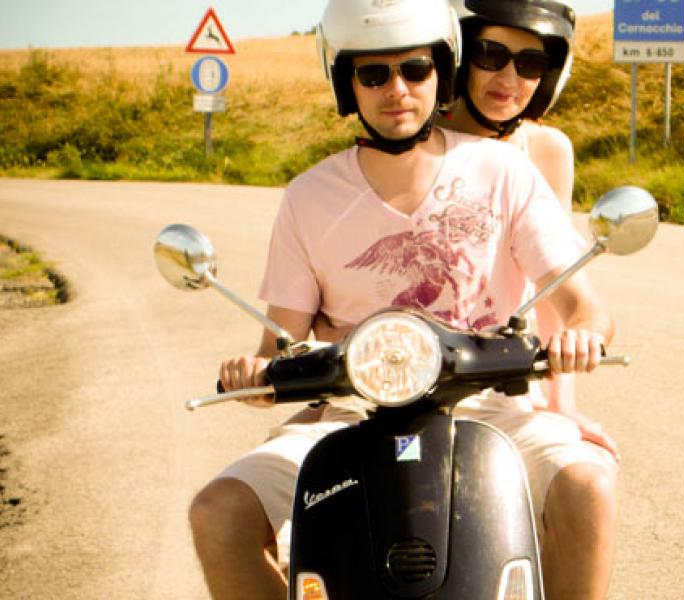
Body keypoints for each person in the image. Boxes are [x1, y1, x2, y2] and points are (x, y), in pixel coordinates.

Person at [187, 0, 617, 598]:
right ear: (346, 82)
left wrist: (582, 335)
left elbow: (585, 306)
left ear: (442, 71)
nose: (397, 89)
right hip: (343, 416)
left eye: (415, 70)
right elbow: (277, 348)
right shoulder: (308, 198)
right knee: (218, 512)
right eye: (373, 74)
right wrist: (254, 373)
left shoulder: (501, 171)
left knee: (587, 487)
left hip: (488, 407)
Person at [439, 2, 621, 591]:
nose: (508, 78)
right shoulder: (418, 128)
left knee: (580, 487)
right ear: (463, 56)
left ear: (551, 74)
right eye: (490, 56)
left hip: (505, 374)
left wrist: (559, 403)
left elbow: (552, 282)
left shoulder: (545, 150)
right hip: (416, 367)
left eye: (530, 62)